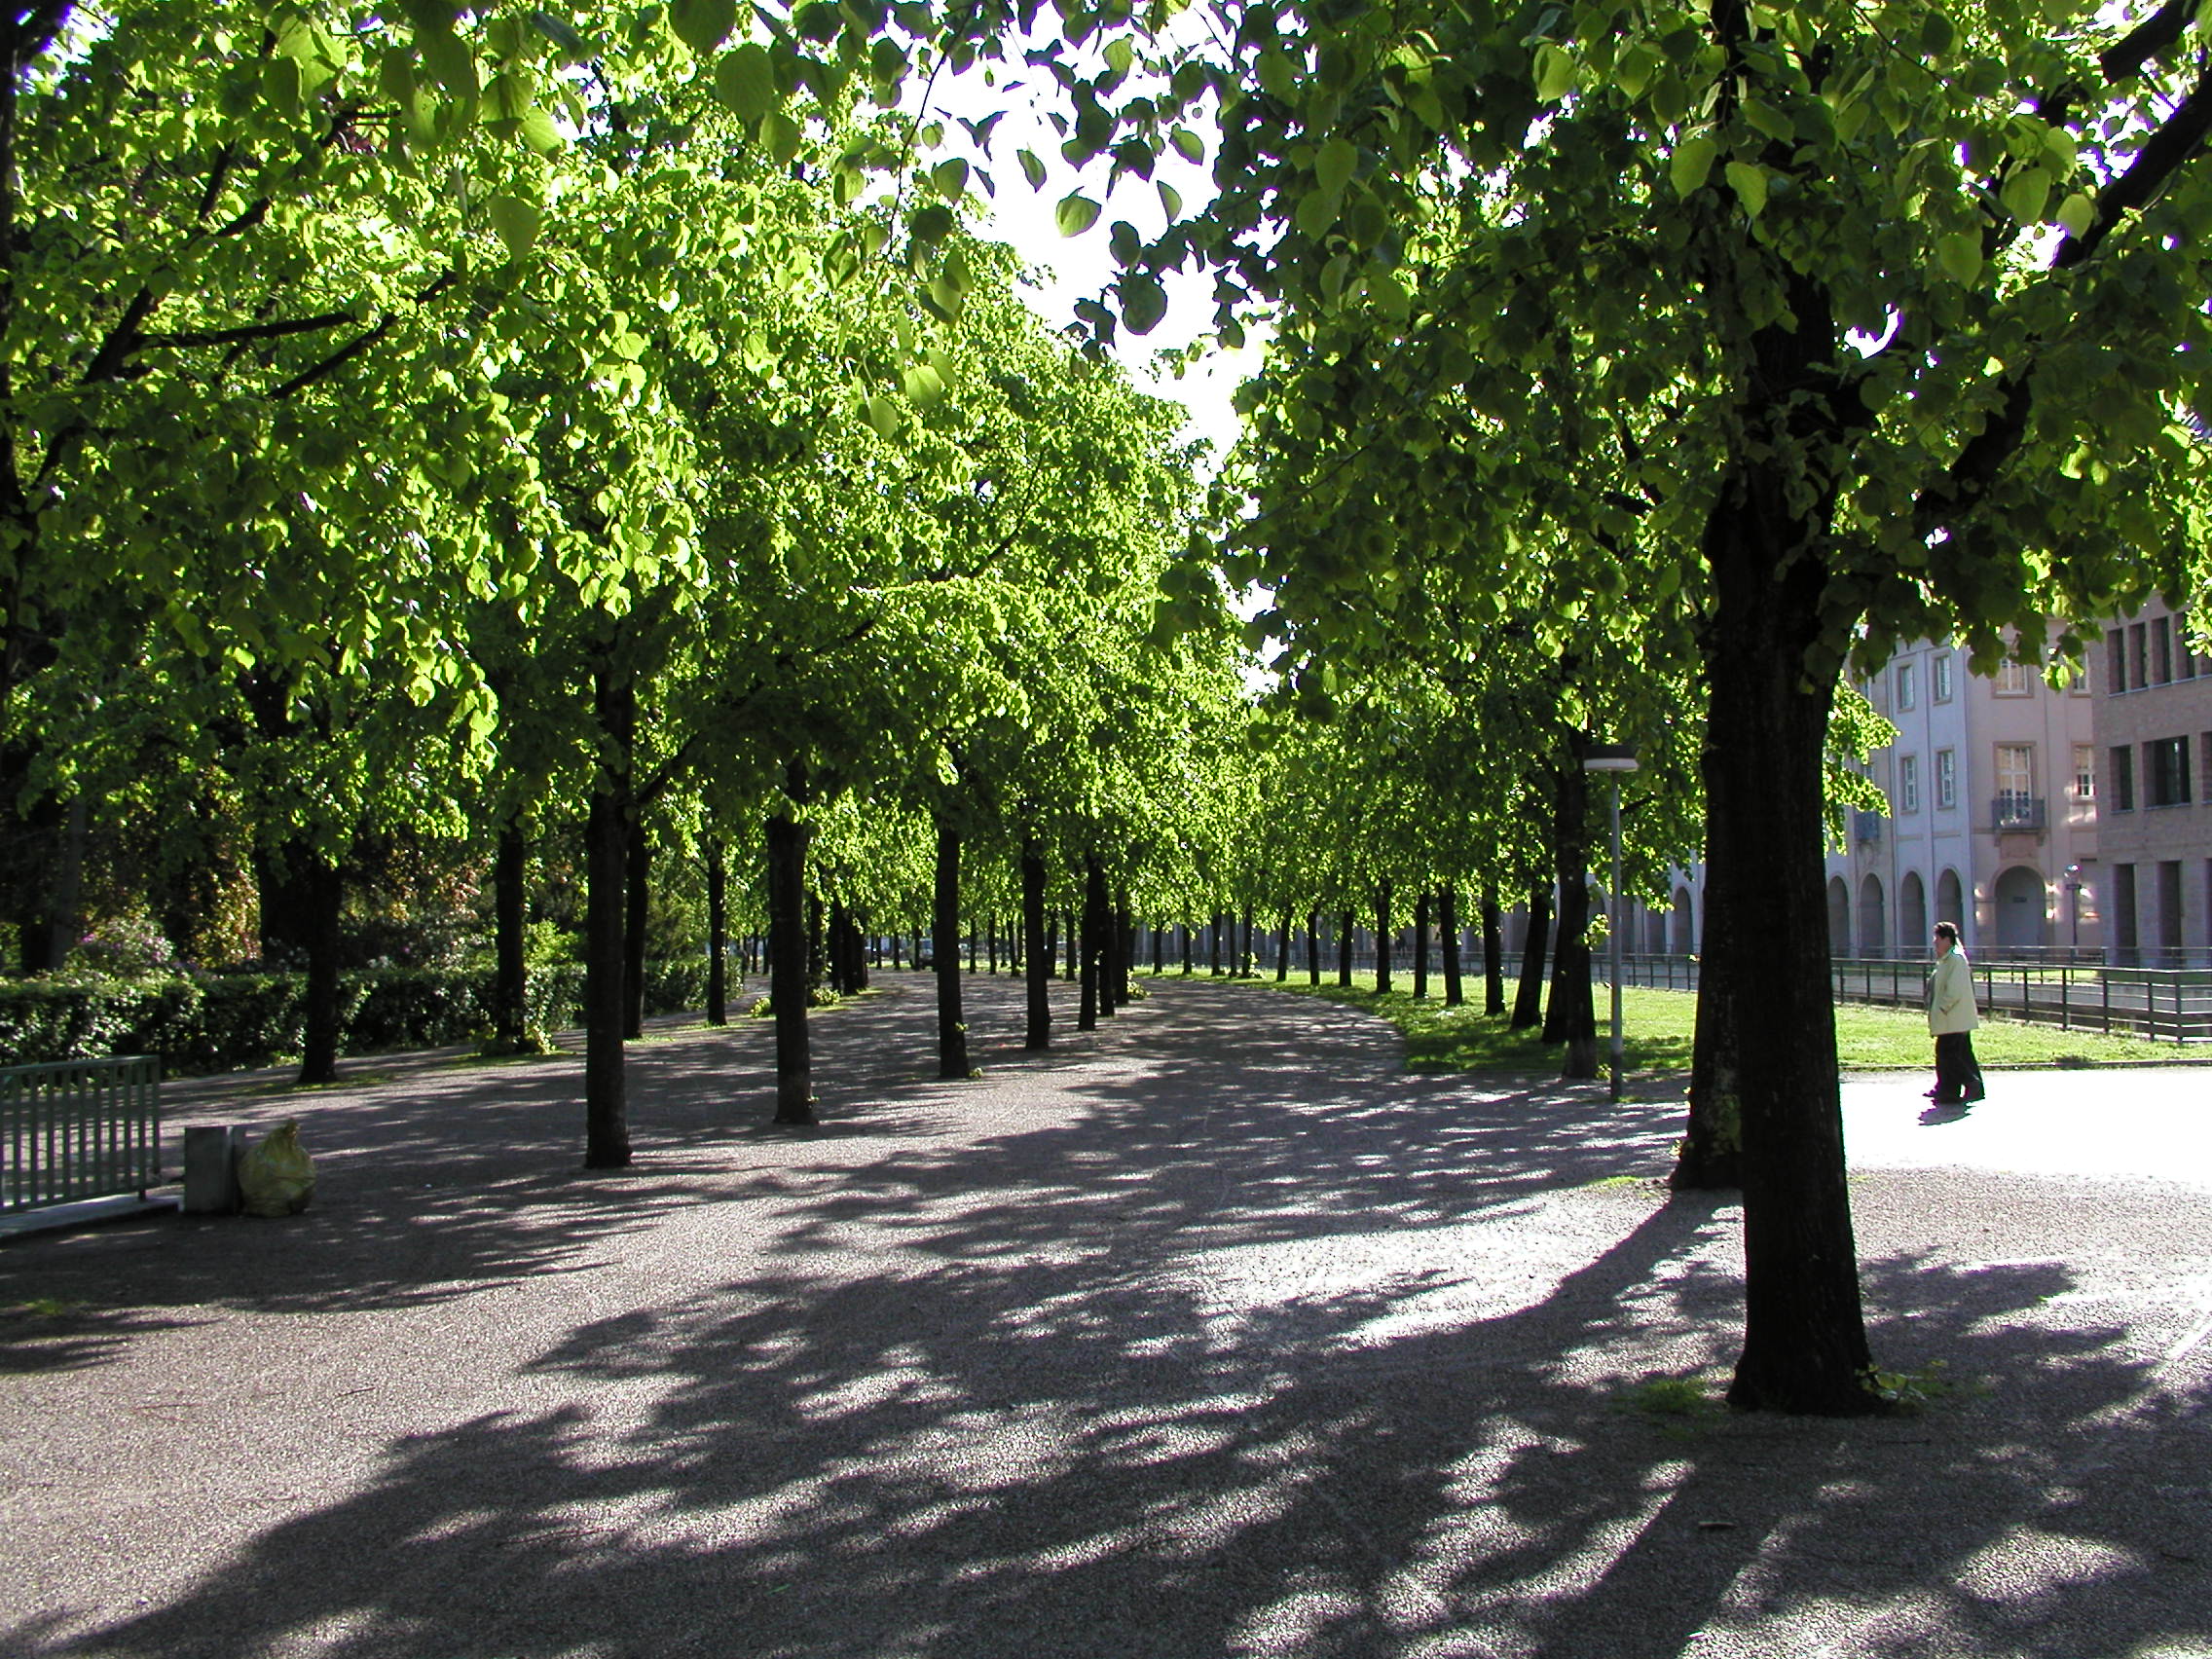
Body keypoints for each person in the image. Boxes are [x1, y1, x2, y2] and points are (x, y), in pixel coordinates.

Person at [1925, 921, 1983, 1105]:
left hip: (1952, 1017)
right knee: (1961, 1053)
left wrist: (1942, 1007)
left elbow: (1954, 990)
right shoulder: (1948, 959)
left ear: (1947, 939)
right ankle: (1949, 1089)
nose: (1935, 942)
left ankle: (1969, 1083)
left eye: (1938, 939)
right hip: (1954, 1017)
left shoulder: (1955, 959)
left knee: (1947, 1053)